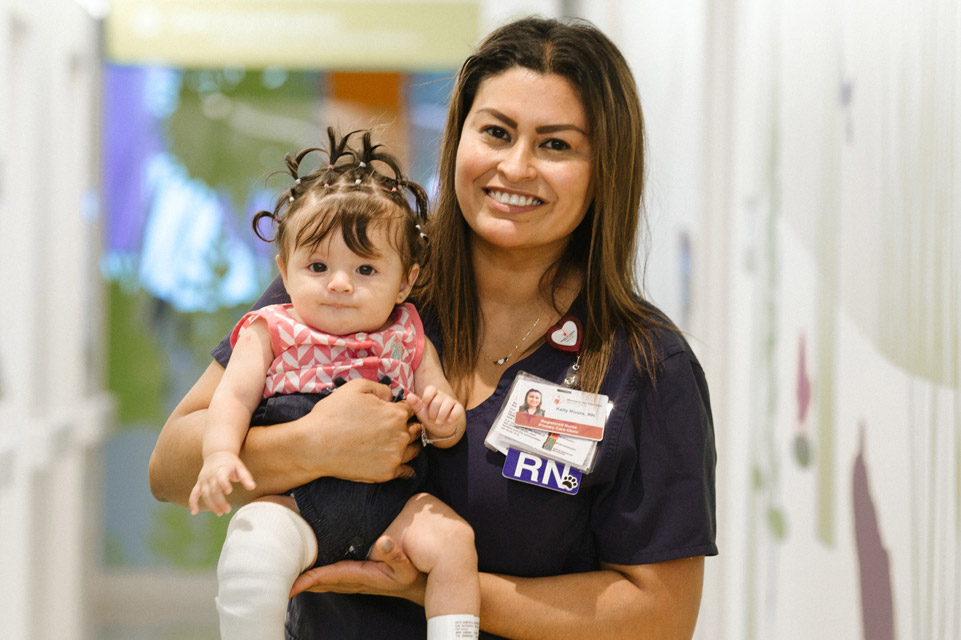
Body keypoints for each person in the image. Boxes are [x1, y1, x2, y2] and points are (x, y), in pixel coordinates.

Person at [149, 15, 717, 640]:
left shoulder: (644, 365)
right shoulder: (354, 279)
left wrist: (433, 585)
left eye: (556, 144)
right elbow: (171, 470)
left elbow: (659, 616)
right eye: (496, 132)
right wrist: (311, 444)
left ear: (605, 168)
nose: (516, 167)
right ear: (458, 137)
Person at [186, 128, 479, 640]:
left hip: (395, 511)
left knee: (454, 541)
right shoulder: (270, 329)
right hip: (297, 506)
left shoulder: (409, 333)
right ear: (284, 268)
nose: (339, 283)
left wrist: (444, 420)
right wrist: (218, 455)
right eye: (318, 266)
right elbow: (230, 397)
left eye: (365, 268)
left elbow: (444, 414)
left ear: (405, 281)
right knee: (251, 545)